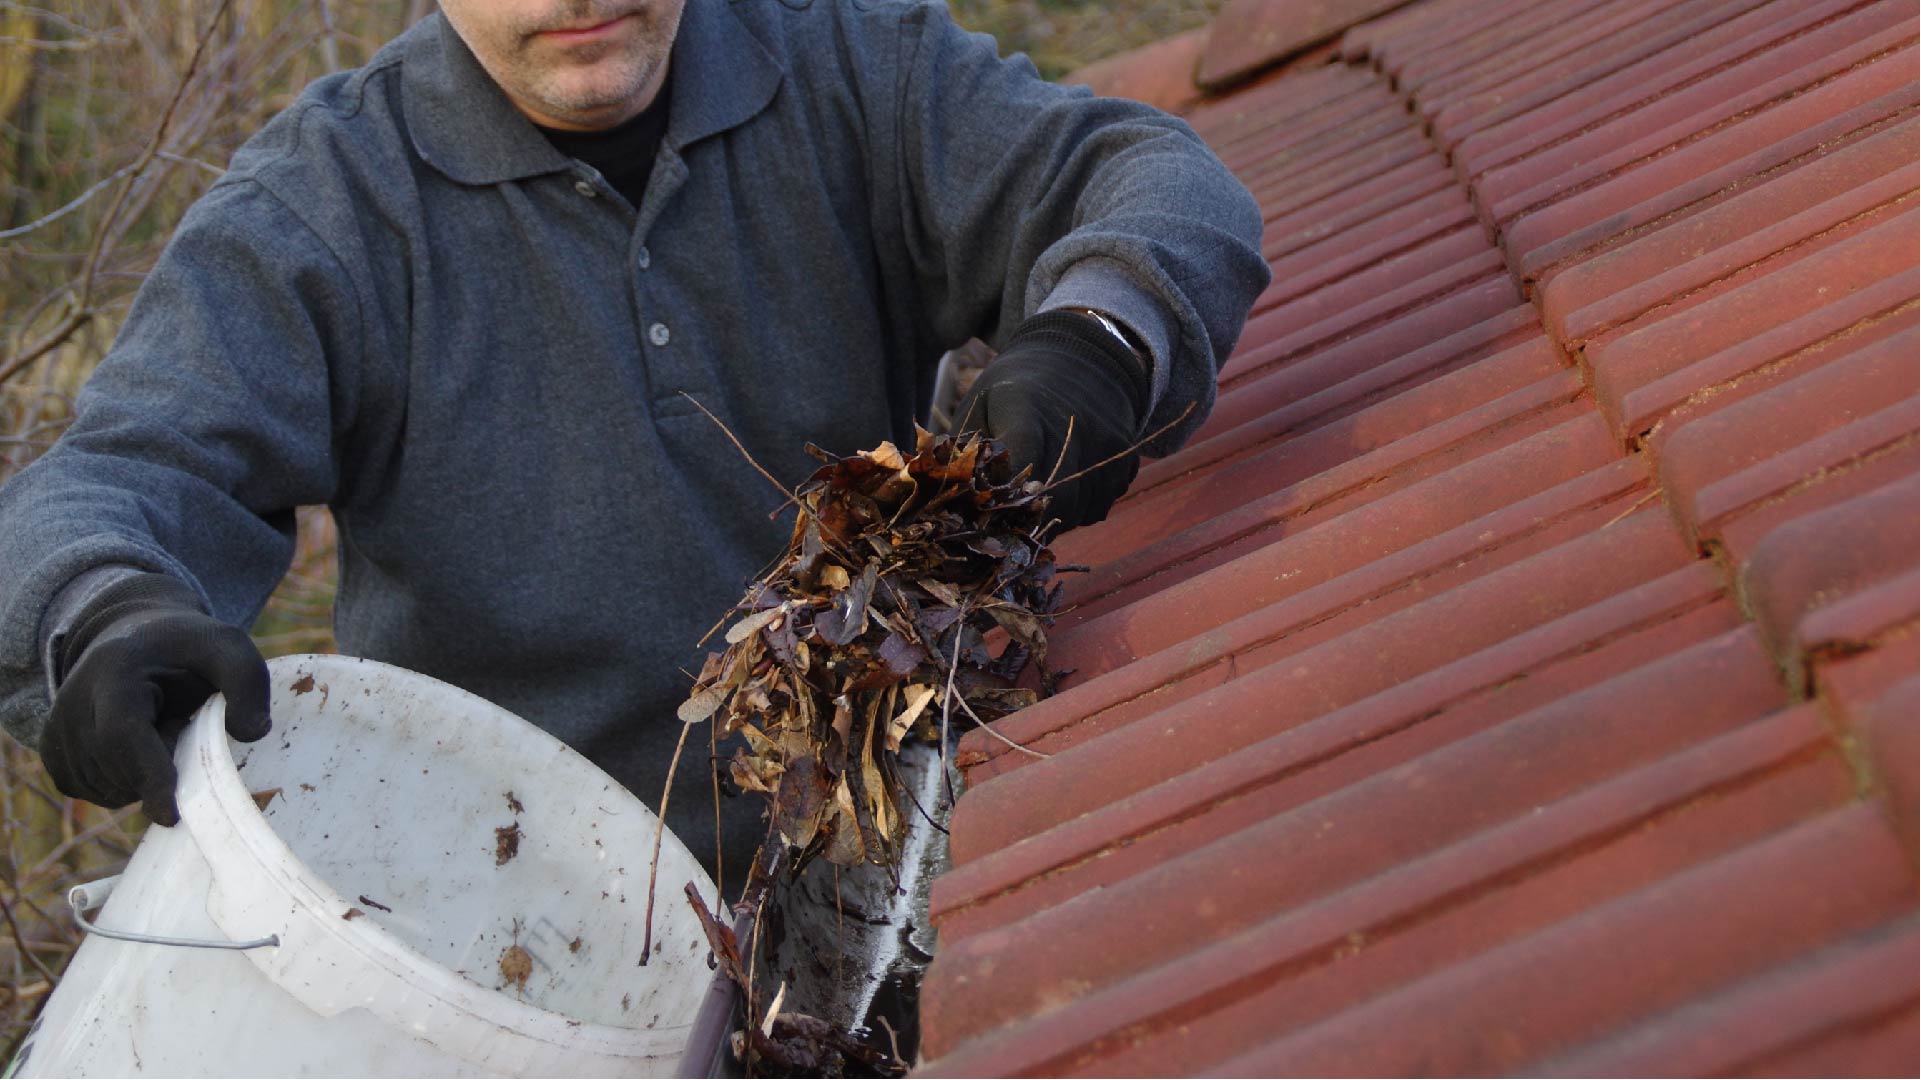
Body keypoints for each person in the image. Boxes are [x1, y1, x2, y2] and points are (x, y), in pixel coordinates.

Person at [0, 0, 1269, 888]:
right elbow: (122, 474)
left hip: (911, 846)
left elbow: (1158, 179)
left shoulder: (849, 66)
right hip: (533, 921)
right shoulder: (324, 209)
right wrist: (102, 617)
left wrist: (1100, 337)